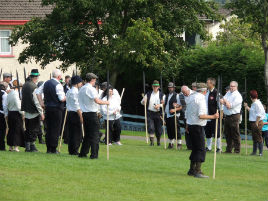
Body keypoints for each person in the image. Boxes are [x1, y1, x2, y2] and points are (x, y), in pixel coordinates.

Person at [186, 83, 219, 178]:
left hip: (191, 125)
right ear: (205, 91)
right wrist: (213, 116)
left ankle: (191, 170)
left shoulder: (191, 97)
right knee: (201, 149)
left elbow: (187, 113)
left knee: (195, 149)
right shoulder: (201, 99)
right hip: (197, 126)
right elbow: (201, 115)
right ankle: (197, 171)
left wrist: (187, 124)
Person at [78, 73, 109, 159]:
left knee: (87, 135)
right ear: (92, 80)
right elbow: (97, 101)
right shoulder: (91, 89)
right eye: (95, 80)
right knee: (95, 135)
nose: (95, 81)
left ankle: (83, 153)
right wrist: (106, 102)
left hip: (84, 114)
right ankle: (94, 155)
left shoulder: (81, 89)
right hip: (91, 114)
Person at [42, 69, 66, 154]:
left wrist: (42, 103)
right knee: (55, 129)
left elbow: (38, 92)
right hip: (56, 108)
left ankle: (48, 148)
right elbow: (61, 99)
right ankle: (53, 148)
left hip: (48, 108)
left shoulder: (46, 83)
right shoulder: (58, 85)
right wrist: (67, 97)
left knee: (49, 128)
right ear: (59, 76)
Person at [21, 69, 44, 152]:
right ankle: (32, 146)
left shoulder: (25, 85)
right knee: (34, 130)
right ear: (36, 77)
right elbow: (36, 102)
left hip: (26, 110)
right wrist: (41, 112)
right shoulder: (34, 87)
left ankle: (28, 147)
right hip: (33, 111)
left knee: (28, 129)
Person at [220, 81, 243, 154]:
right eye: (230, 86)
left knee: (235, 133)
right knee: (227, 133)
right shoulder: (228, 93)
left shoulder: (238, 96)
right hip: (227, 115)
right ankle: (228, 149)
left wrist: (225, 101)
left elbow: (230, 106)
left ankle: (237, 150)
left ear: (236, 87)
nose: (231, 87)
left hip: (234, 116)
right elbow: (222, 100)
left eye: (233, 86)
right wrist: (225, 102)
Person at [141, 80, 164, 146]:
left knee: (159, 129)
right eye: (154, 86)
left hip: (158, 113)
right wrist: (144, 102)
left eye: (156, 87)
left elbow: (164, 103)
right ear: (152, 86)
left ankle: (158, 141)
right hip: (150, 113)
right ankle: (152, 142)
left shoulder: (162, 95)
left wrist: (159, 105)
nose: (155, 88)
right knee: (151, 127)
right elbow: (142, 102)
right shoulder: (148, 94)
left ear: (158, 87)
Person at [244, 90, 265, 156]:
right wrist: (247, 107)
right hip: (254, 122)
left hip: (257, 122)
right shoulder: (254, 103)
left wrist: (256, 123)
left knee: (258, 137)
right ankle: (254, 152)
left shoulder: (257, 103)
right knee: (255, 137)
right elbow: (253, 112)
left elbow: (259, 114)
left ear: (251, 97)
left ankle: (260, 153)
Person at [66, 75, 83, 155]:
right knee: (77, 133)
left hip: (69, 113)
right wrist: (81, 116)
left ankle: (71, 150)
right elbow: (77, 105)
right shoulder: (75, 92)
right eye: (80, 82)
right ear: (77, 83)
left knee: (71, 133)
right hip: (75, 114)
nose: (81, 84)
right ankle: (75, 150)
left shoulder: (69, 91)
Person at [6, 80, 25, 152]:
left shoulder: (10, 94)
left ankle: (10, 146)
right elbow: (18, 106)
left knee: (11, 130)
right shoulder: (15, 94)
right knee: (17, 130)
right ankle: (16, 147)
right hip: (16, 113)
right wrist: (23, 113)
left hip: (10, 112)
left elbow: (7, 104)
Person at [205, 78, 221, 152]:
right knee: (208, 132)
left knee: (216, 132)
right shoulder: (206, 92)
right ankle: (209, 147)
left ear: (212, 84)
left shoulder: (216, 93)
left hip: (215, 116)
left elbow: (221, 105)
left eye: (208, 83)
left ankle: (219, 147)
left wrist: (220, 113)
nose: (206, 84)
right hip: (207, 115)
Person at [164, 82, 182, 149]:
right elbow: (166, 105)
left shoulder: (177, 96)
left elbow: (181, 106)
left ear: (174, 88)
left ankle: (179, 143)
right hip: (168, 115)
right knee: (169, 130)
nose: (170, 88)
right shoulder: (166, 96)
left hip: (174, 115)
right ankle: (171, 143)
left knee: (176, 129)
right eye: (169, 87)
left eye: (171, 87)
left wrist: (175, 110)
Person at [181, 85, 194, 150]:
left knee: (192, 130)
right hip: (186, 115)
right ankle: (189, 146)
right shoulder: (182, 96)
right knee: (187, 130)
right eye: (183, 93)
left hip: (193, 115)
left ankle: (194, 145)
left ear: (188, 90)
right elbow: (181, 105)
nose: (184, 94)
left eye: (185, 92)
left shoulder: (194, 94)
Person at [0, 82, 8, 151]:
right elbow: (5, 106)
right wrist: (6, 114)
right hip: (1, 113)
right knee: (2, 131)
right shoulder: (4, 94)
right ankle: (2, 147)